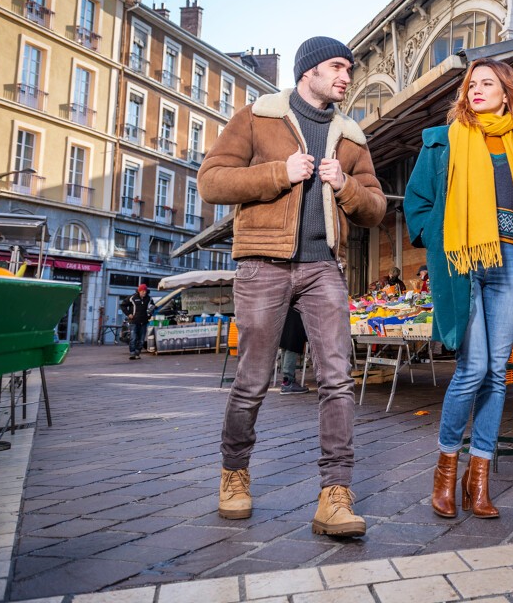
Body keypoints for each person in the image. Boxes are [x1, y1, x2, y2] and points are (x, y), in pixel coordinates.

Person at [199, 36, 386, 537]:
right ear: (308, 72)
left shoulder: (351, 136)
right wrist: (280, 173)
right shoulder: (258, 116)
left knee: (337, 379)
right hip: (263, 262)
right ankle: (234, 473)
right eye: (336, 67)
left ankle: (335, 495)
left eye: (349, 67)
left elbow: (375, 207)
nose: (346, 76)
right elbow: (212, 181)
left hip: (323, 265)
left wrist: (344, 186)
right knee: (253, 380)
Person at [404, 58, 513, 519]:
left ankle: (479, 483)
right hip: (464, 261)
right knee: (472, 369)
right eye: (471, 84)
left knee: (498, 373)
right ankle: (445, 473)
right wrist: (437, 236)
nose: (476, 90)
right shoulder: (441, 143)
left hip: (511, 264)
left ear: (506, 93)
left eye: (487, 84)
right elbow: (417, 204)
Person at [121, 283, 154, 360]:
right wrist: (128, 314)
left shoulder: (149, 299)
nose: (144, 292)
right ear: (139, 291)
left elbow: (152, 307)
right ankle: (132, 353)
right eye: (142, 291)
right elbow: (123, 305)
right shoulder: (132, 298)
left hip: (144, 322)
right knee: (133, 338)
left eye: (145, 291)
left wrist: (149, 314)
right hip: (134, 321)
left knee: (142, 340)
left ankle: (137, 352)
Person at [280, 307, 309, 395]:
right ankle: (288, 382)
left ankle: (286, 380)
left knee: (287, 347)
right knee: (291, 347)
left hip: (286, 313)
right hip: (295, 314)